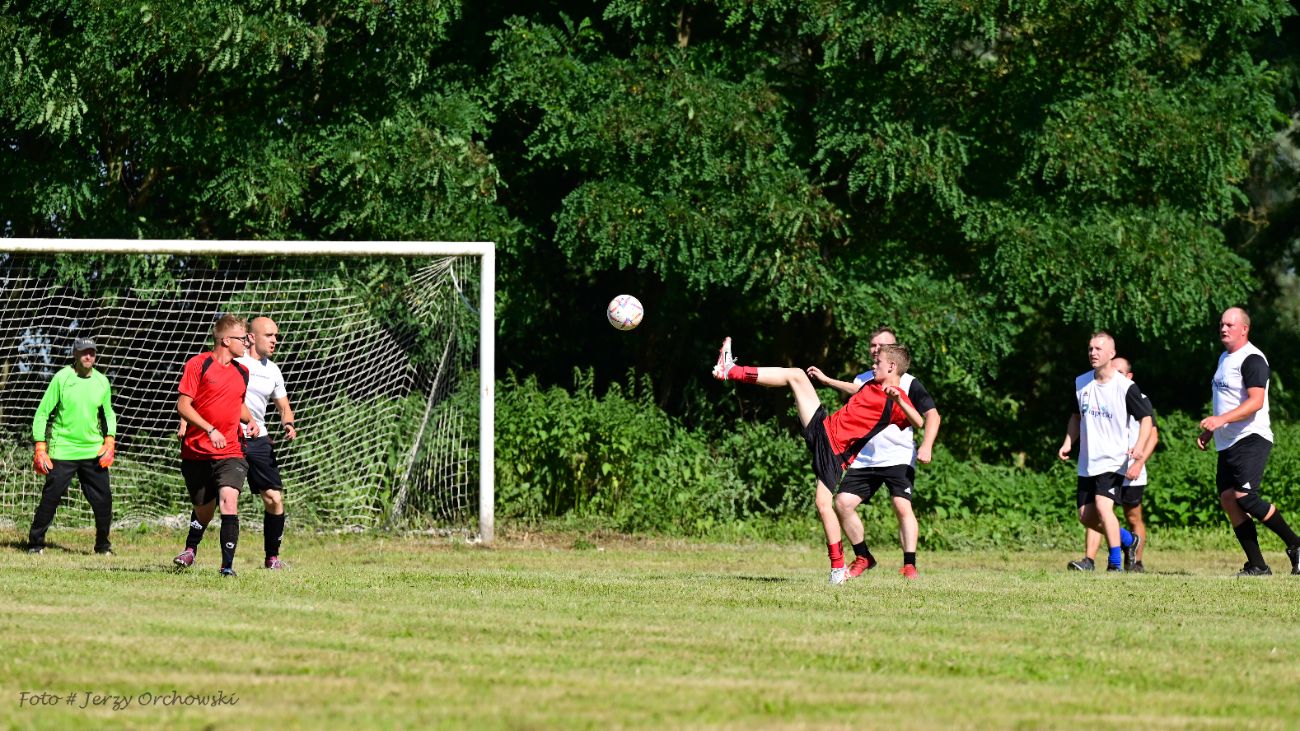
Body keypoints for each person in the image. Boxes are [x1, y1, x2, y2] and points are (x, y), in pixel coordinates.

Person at [713, 337, 925, 584]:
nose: (873, 364)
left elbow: (919, 421)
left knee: (824, 504)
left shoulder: (896, 398)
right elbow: (856, 390)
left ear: (892, 367)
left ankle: (838, 568)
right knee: (796, 375)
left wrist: (899, 399)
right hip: (824, 428)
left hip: (835, 452)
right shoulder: (871, 384)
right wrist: (826, 380)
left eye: (877, 362)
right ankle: (731, 370)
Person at [806, 327, 941, 579]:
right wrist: (826, 381)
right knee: (843, 503)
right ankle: (863, 557)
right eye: (872, 346)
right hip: (865, 456)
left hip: (897, 457)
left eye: (881, 346)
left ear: (893, 357)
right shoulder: (868, 377)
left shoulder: (908, 382)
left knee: (901, 504)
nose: (875, 350)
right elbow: (855, 390)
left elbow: (930, 416)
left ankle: (909, 565)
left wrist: (926, 445)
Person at [1196, 307, 1300, 576]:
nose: (1224, 328)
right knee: (1229, 499)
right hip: (1228, 442)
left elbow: (1255, 402)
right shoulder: (1223, 358)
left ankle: (1296, 545)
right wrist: (1213, 429)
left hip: (1251, 437)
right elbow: (1227, 401)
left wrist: (1220, 421)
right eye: (1221, 324)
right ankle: (1257, 564)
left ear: (1244, 329)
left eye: (1230, 324)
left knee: (1245, 497)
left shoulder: (1252, 359)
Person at [172, 315, 259, 577]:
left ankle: (227, 567)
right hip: (196, 451)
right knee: (204, 510)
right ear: (225, 340)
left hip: (231, 450)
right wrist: (209, 429)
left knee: (229, 500)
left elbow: (237, 403)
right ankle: (190, 549)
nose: (247, 343)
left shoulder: (242, 372)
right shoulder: (198, 365)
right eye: (242, 338)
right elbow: (183, 404)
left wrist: (251, 420)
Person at [1058, 332, 1152, 572]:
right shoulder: (1081, 383)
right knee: (1085, 516)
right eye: (1090, 349)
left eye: (1098, 349)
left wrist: (1139, 448)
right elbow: (1075, 417)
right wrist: (1068, 442)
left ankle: (1115, 563)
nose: (1093, 353)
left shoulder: (1125, 387)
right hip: (1087, 461)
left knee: (1103, 506)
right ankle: (1129, 540)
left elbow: (1146, 419)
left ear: (1111, 353)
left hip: (1113, 459)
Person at [27, 337, 117, 555]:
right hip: (63, 450)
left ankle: (103, 546)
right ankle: (35, 543)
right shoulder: (61, 378)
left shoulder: (102, 382)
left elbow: (108, 414)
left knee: (104, 500)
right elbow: (42, 413)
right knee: (51, 497)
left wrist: (110, 440)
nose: (88, 356)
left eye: (92, 353)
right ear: (75, 355)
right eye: (84, 352)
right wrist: (40, 446)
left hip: (92, 451)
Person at [236, 316, 297, 569]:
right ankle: (191, 549)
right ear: (251, 337)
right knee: (218, 498)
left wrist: (288, 423)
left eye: (276, 336)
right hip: (231, 436)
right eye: (269, 335)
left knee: (274, 498)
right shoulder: (234, 363)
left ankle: (272, 557)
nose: (274, 340)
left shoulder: (273, 370)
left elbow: (284, 406)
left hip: (258, 438)